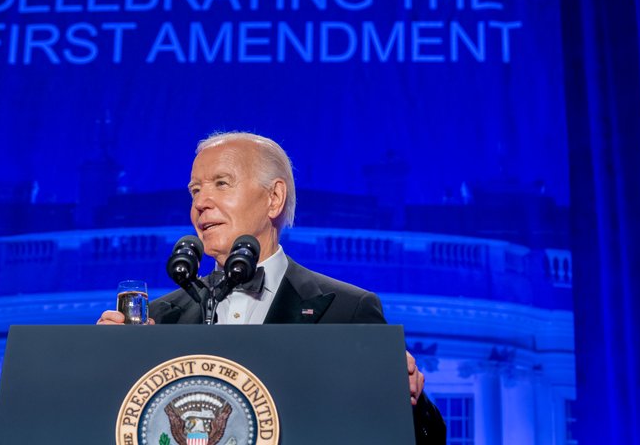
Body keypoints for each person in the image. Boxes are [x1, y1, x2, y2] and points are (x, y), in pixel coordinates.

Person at [98, 131, 446, 443]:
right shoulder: (160, 321)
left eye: (221, 183)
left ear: (274, 198)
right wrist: (107, 372)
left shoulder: (346, 309)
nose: (200, 203)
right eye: (195, 190)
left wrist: (409, 399)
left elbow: (415, 438)